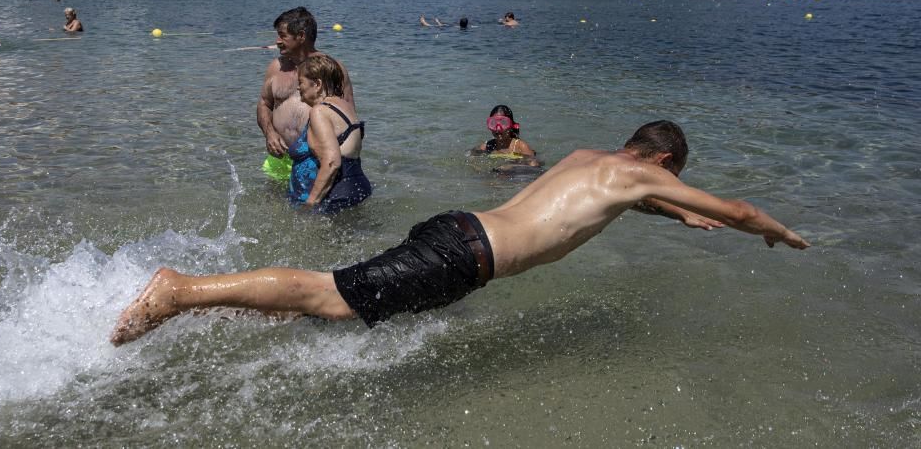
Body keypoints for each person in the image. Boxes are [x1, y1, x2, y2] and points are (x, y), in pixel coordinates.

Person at [110, 121, 810, 345]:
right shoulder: (644, 174)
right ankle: (181, 291)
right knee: (327, 295)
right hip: (463, 254)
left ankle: (227, 311)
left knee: (348, 313)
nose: (674, 187)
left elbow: (600, 203)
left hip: (458, 231)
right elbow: (741, 209)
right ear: (662, 160)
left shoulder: (594, 161)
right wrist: (776, 233)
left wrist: (674, 211)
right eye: (675, 178)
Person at [257, 7, 354, 181]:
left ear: (301, 36)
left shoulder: (332, 69)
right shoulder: (275, 67)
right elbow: (264, 104)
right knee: (271, 205)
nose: (277, 41)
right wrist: (269, 133)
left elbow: (349, 118)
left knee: (309, 207)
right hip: (279, 157)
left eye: (282, 35)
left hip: (314, 161)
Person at [288, 55, 371, 212]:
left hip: (337, 196)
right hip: (355, 189)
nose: (298, 88)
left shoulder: (320, 111)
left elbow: (332, 162)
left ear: (317, 84)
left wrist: (310, 203)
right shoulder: (345, 107)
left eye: (301, 82)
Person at [472, 105, 541, 171]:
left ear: (511, 126)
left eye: (503, 123)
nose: (498, 129)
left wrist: (511, 166)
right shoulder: (488, 146)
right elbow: (471, 155)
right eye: (493, 123)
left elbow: (535, 165)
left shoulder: (520, 146)